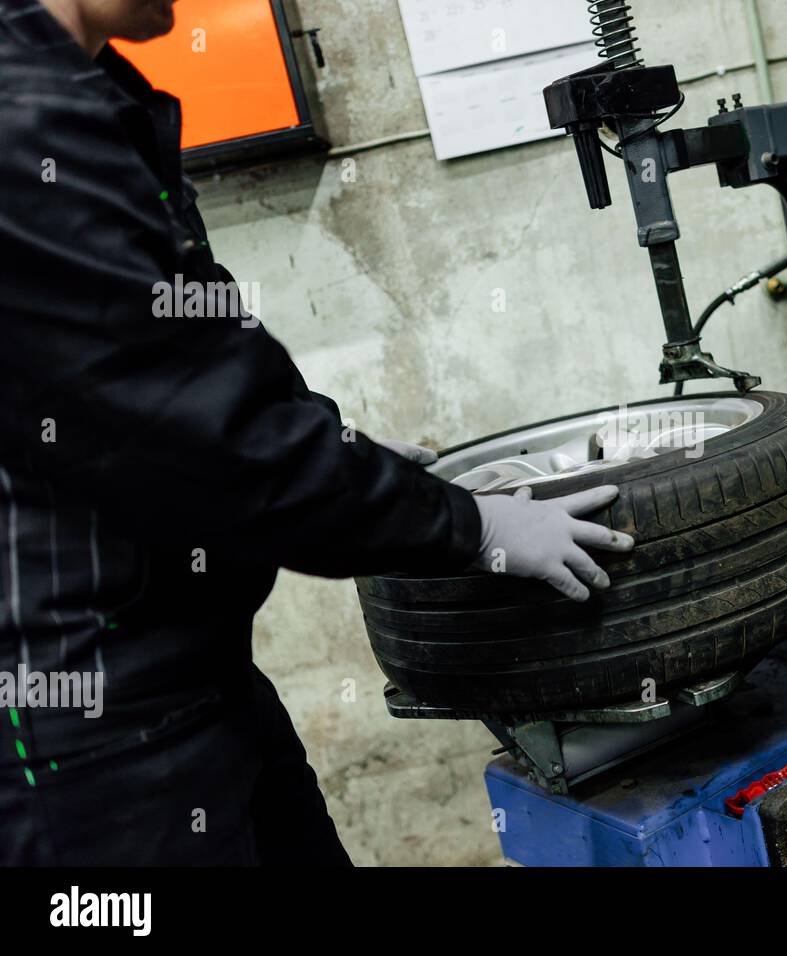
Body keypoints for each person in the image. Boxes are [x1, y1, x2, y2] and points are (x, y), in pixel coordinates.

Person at [0, 0, 634, 864]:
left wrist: (339, 454)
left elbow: (199, 350)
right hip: (88, 735)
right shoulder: (22, 117)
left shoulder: (92, 95)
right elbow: (214, 442)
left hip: (190, 680)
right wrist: (469, 526)